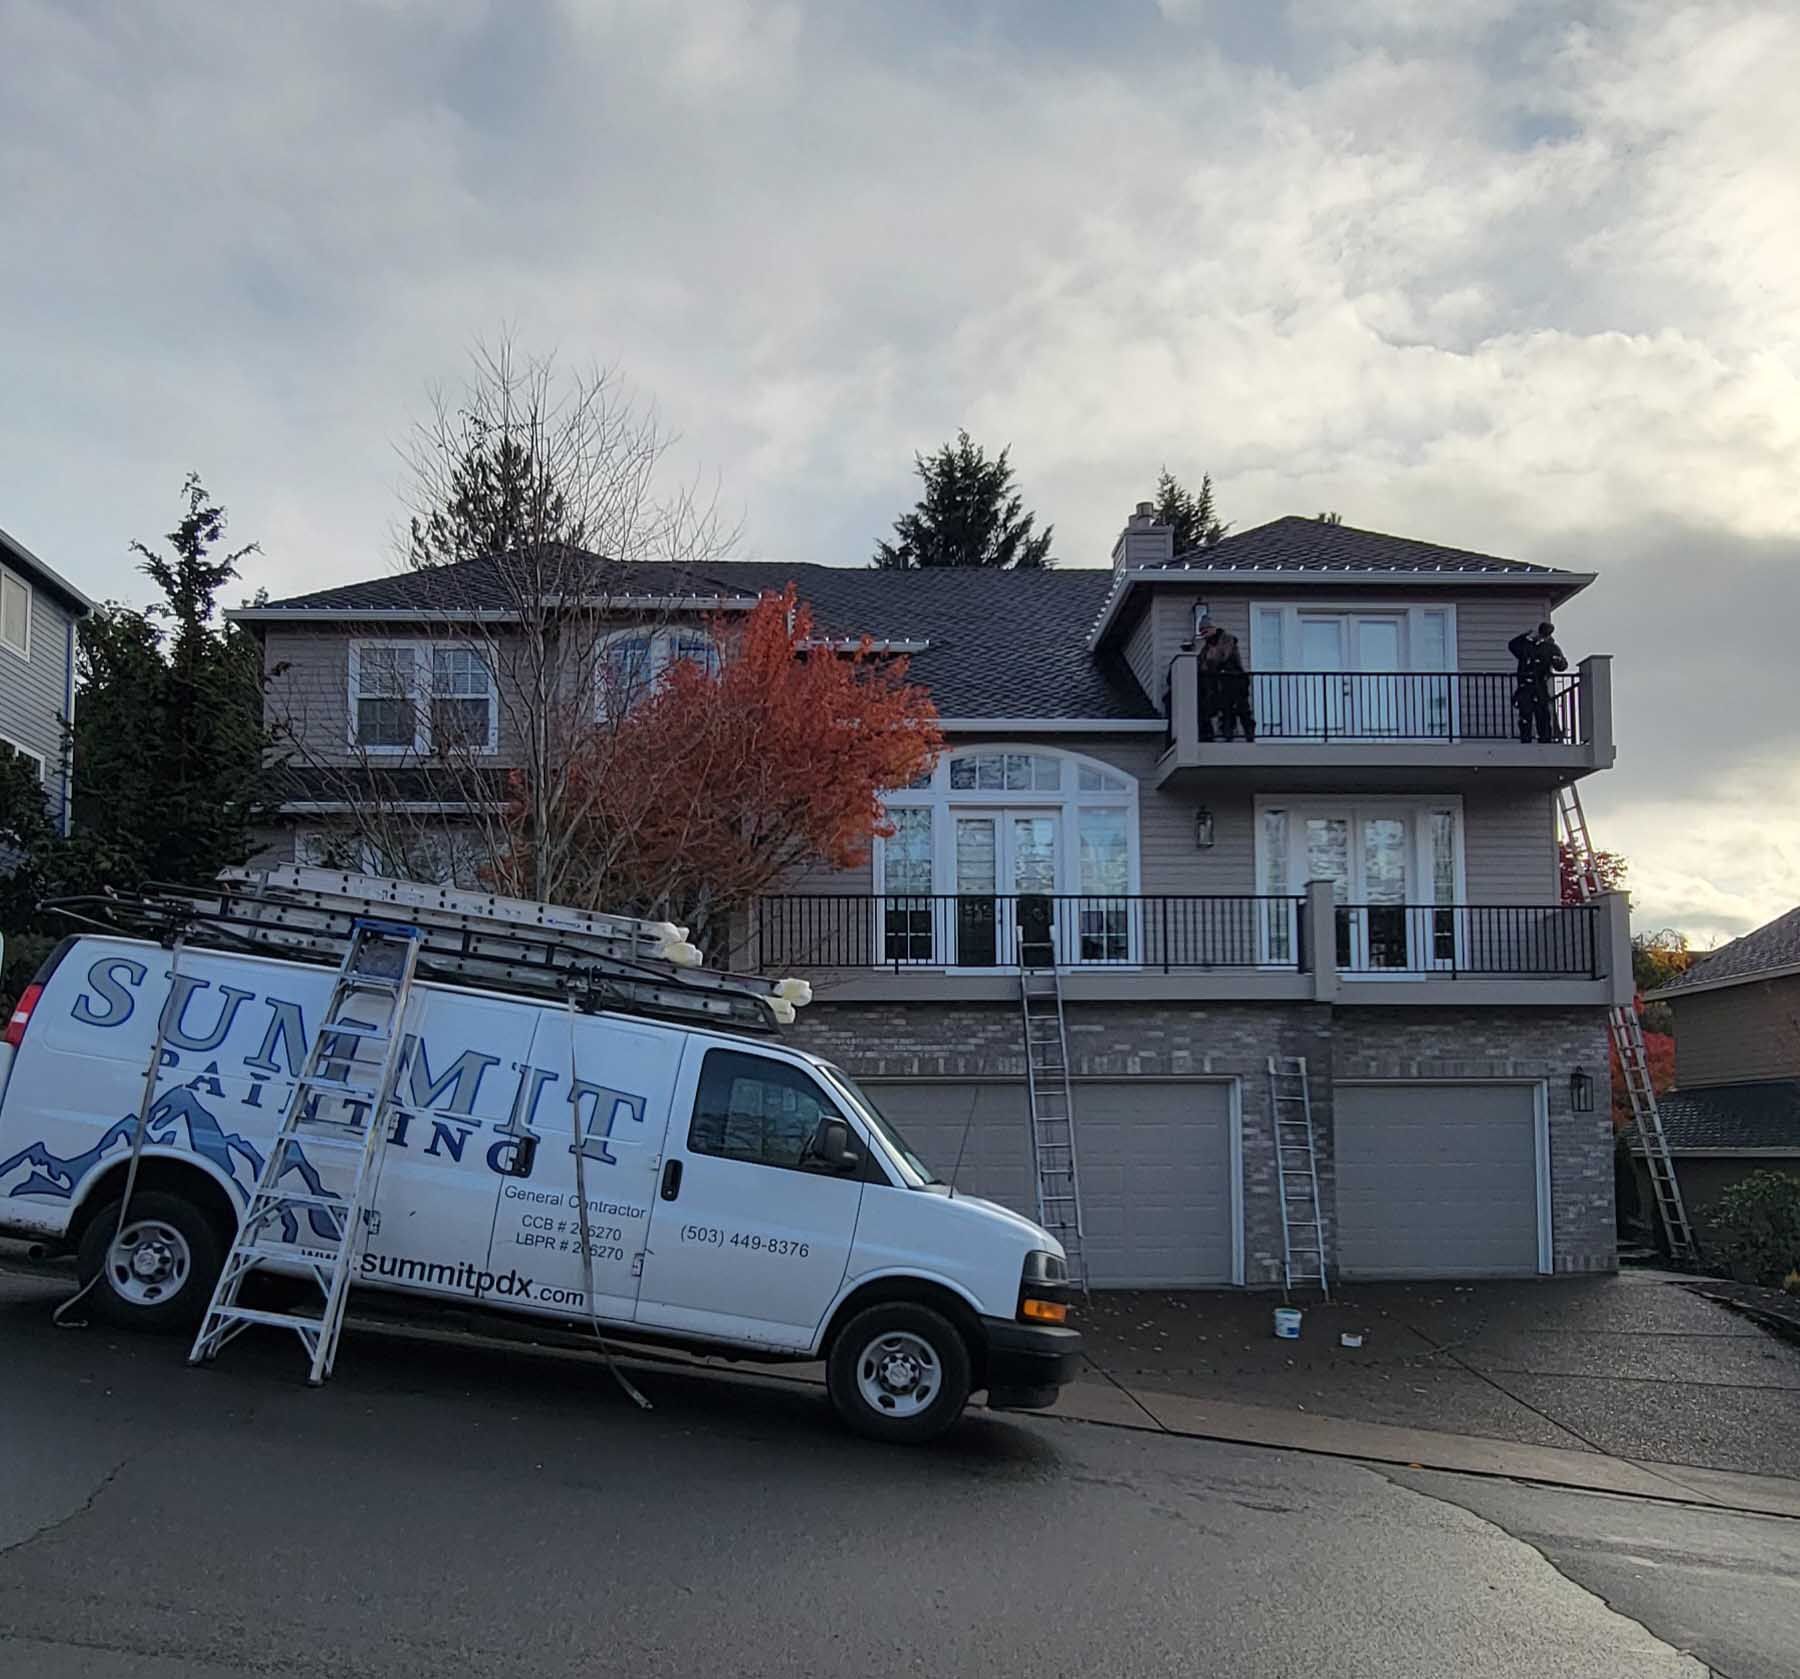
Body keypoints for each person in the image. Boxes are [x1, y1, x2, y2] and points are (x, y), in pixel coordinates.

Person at [1507, 620, 1568, 743]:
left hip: (1540, 684)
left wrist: (1557, 661)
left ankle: (1545, 739)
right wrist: (1526, 636)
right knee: (1525, 714)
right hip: (1525, 685)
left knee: (1543, 714)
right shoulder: (1527, 646)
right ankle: (1526, 739)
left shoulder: (1551, 648)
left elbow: (1562, 666)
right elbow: (1512, 646)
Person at [1198, 621, 1255, 743]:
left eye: (1205, 631)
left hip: (1235, 679)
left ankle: (1249, 737)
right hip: (1220, 685)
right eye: (1202, 633)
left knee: (1243, 710)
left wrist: (1211, 660)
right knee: (1225, 711)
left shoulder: (1228, 639)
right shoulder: (1206, 648)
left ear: (1213, 628)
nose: (1204, 635)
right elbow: (1202, 665)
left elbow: (1223, 656)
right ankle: (1227, 736)